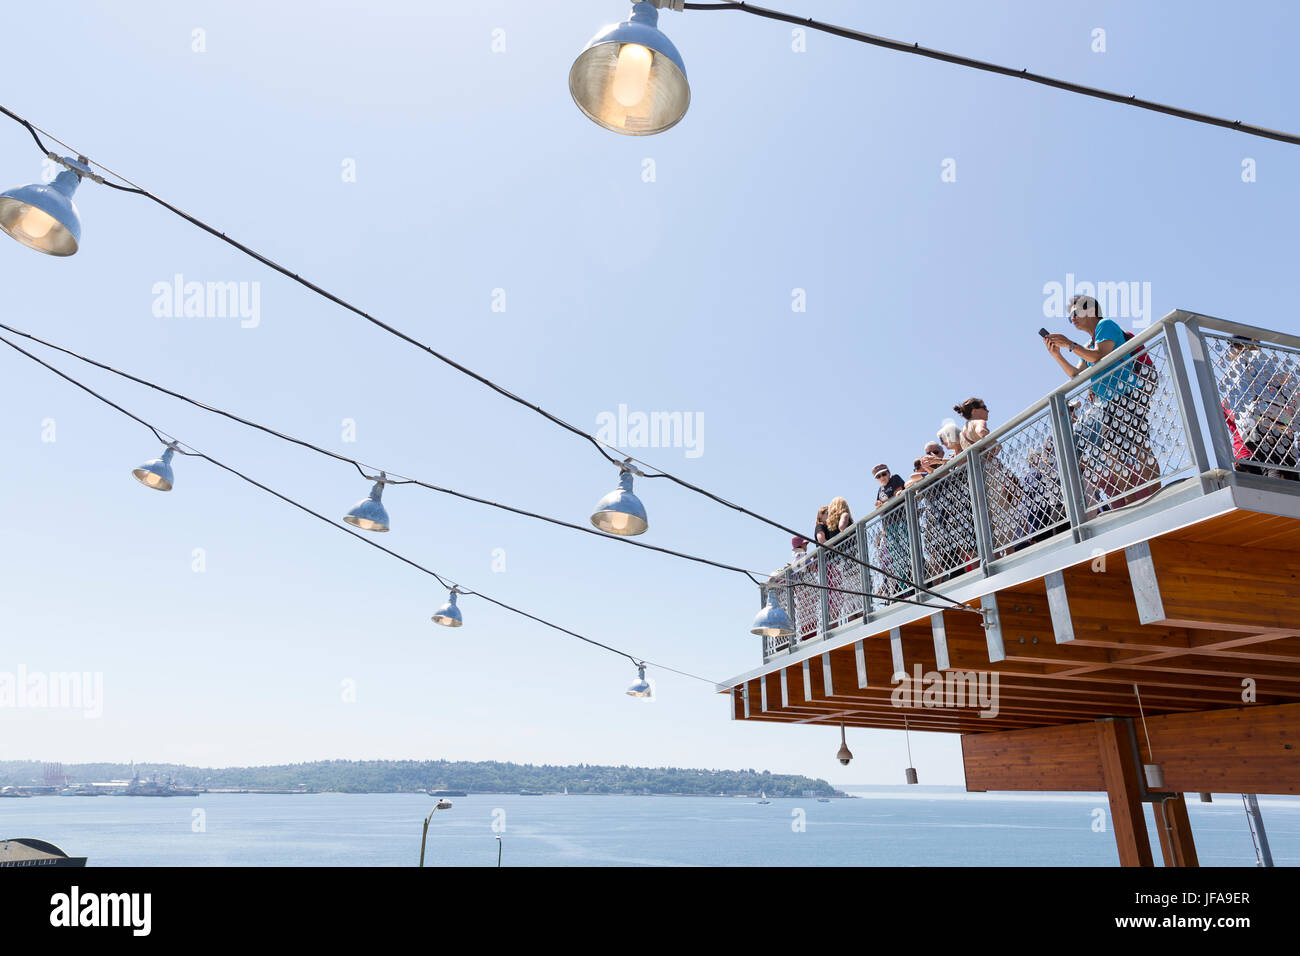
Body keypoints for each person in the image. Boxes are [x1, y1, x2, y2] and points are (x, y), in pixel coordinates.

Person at [1044, 294, 1161, 508]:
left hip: (1127, 395)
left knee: (1140, 447)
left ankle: (1159, 497)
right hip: (1109, 403)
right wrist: (1057, 355)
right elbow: (1075, 374)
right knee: (1114, 454)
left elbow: (1099, 354)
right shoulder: (1089, 342)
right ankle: (1130, 505)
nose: (1072, 319)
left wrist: (1070, 344)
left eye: (1074, 313)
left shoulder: (1105, 325)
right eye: (1069, 317)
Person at [1220, 336, 1299, 480]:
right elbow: (1275, 381)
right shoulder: (1258, 358)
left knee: (1269, 464)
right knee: (1276, 462)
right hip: (1268, 421)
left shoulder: (1234, 373)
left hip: (1244, 442)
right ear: (1254, 340)